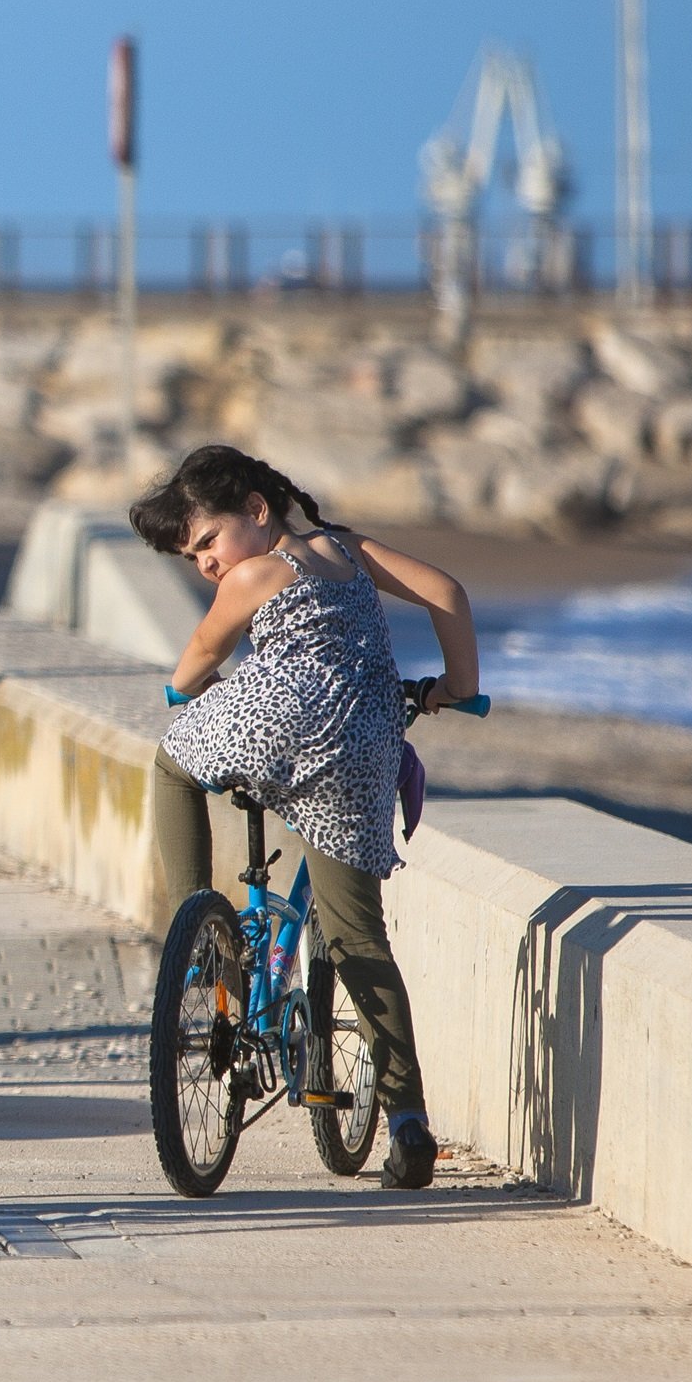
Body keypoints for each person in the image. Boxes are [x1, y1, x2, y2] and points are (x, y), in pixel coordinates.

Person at [128, 444, 480, 1188]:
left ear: (257, 511)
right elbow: (447, 590)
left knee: (171, 761)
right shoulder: (347, 547)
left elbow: (195, 663)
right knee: (358, 935)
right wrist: (455, 684)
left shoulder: (258, 574)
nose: (208, 566)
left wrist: (186, 689)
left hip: (283, 720)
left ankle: (198, 937)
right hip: (366, 739)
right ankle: (410, 1122)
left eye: (208, 543)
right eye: (193, 558)